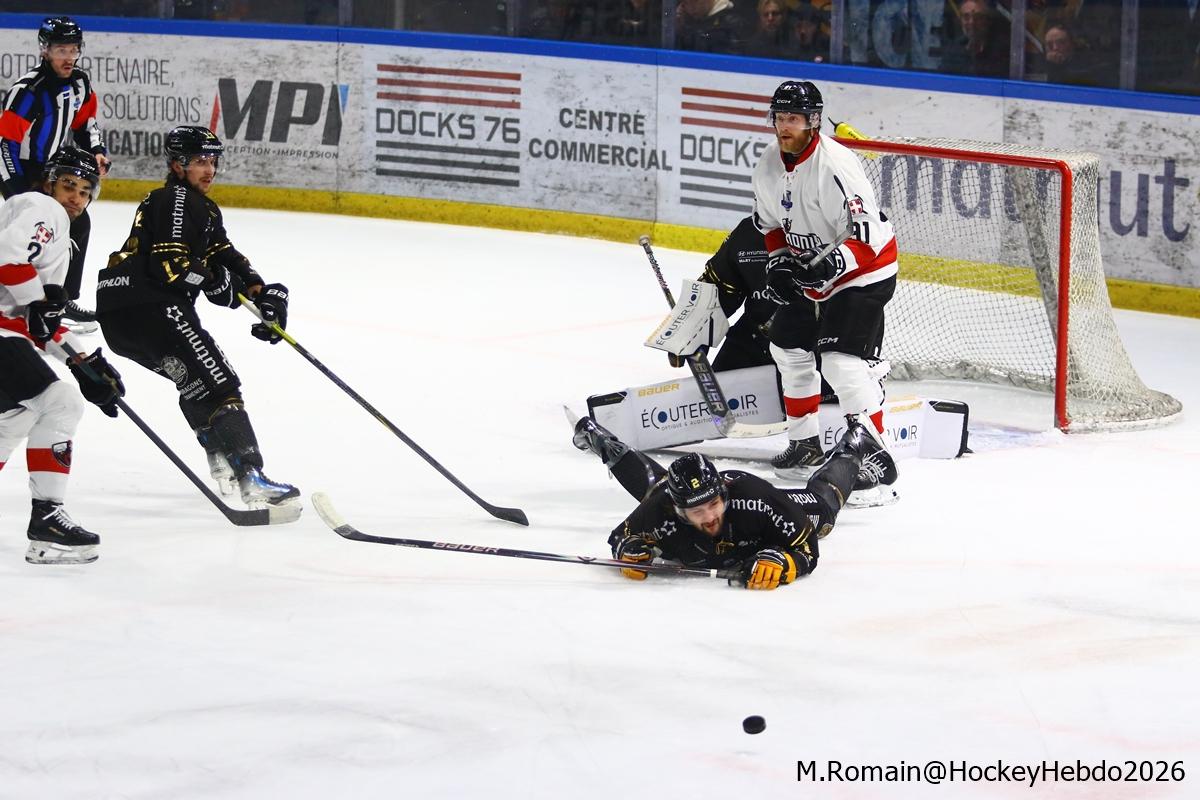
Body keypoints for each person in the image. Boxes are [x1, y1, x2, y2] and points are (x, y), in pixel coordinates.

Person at [94, 125, 299, 510]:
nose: (210, 170)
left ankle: (220, 455)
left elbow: (223, 254)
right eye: (200, 162)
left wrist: (260, 291)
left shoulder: (198, 207)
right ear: (177, 164)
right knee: (220, 384)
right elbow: (171, 265)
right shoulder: (177, 199)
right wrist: (213, 281)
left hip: (119, 317)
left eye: (213, 161)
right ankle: (250, 475)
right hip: (151, 307)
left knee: (196, 381)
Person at [750, 80, 898, 482]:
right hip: (812, 271)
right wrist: (780, 264)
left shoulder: (835, 164)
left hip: (864, 272)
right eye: (780, 117)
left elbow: (867, 237)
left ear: (813, 121)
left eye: (794, 118)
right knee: (787, 349)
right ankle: (805, 443)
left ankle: (874, 457)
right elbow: (770, 225)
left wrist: (830, 265)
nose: (785, 126)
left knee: (839, 363)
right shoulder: (767, 163)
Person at [571, 412, 896, 589]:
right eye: (697, 510)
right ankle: (598, 437)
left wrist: (786, 562)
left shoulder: (756, 500)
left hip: (762, 509)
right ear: (678, 510)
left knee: (822, 512)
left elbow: (807, 546)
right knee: (657, 487)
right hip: (669, 499)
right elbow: (621, 537)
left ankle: (856, 444)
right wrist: (629, 550)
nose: (710, 516)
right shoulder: (662, 509)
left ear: (723, 494)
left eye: (714, 504)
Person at [0, 148, 124, 565]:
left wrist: (84, 361)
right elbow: (7, 258)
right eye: (69, 185)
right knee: (60, 402)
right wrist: (38, 302)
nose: (75, 197)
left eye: (85, 191)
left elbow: (40, 322)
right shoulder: (44, 209)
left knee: (16, 417)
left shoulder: (51, 227)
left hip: (8, 333)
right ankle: (47, 520)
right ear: (49, 183)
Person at [0, 17, 112, 324]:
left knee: (77, 224)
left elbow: (85, 123)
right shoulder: (28, 91)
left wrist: (97, 150)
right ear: (45, 50)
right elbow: (5, 145)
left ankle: (61, 300)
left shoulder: (80, 83)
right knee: (38, 234)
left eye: (74, 49)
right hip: (23, 172)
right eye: (62, 50)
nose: (69, 57)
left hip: (53, 171)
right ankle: (31, 302)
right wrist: (20, 193)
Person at [940, 0, 1011, 78]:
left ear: (987, 21)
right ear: (961, 21)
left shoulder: (1002, 52)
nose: (972, 22)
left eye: (978, 17)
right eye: (966, 17)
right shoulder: (954, 51)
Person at [675, 0, 745, 54]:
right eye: (686, 3)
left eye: (696, 1)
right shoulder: (686, 20)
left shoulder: (730, 22)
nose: (691, 8)